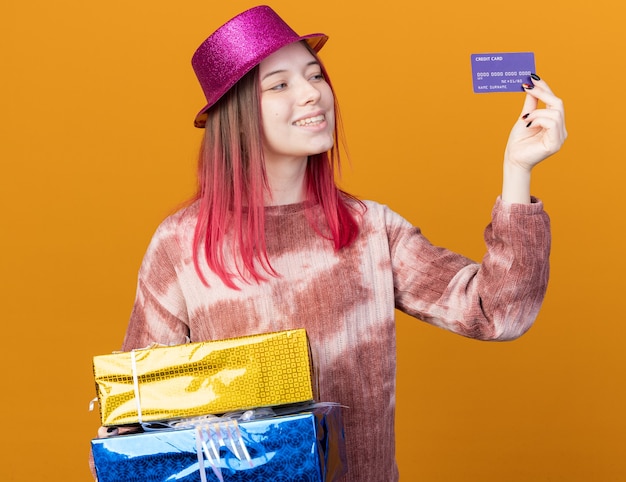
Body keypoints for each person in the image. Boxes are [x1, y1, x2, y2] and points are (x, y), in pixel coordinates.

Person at [93, 5, 567, 481]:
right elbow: (138, 423)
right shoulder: (182, 244)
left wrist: (517, 171)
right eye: (279, 85)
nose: (311, 94)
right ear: (235, 114)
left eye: (315, 76)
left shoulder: (370, 229)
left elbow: (498, 312)